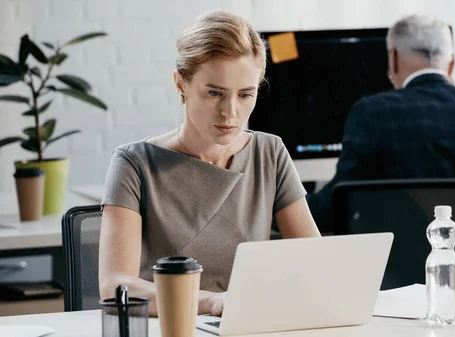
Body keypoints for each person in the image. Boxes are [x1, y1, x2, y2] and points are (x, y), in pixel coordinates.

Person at [98, 10, 321, 317]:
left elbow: (315, 261)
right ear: (181, 84)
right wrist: (211, 302)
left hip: (249, 324)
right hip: (171, 327)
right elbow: (115, 286)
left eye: (245, 94)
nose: (230, 112)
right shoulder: (134, 163)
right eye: (215, 93)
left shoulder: (270, 152)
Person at [307, 15, 455, 232]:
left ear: (394, 58)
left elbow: (338, 206)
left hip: (398, 264)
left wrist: (284, 203)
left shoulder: (371, 113)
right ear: (452, 63)